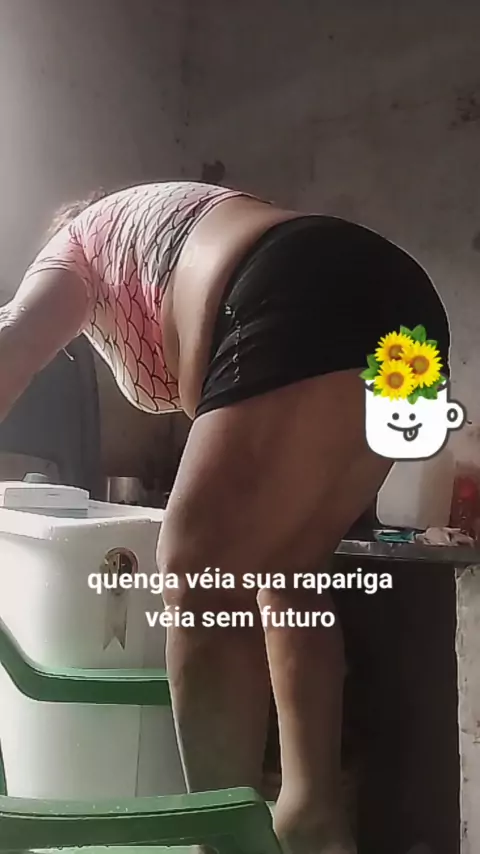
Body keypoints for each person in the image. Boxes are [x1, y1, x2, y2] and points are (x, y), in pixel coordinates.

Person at [0, 181, 450, 854]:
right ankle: (312, 815)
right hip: (410, 317)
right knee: (292, 575)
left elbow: (13, 337)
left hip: (302, 291)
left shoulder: (76, 246)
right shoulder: (169, 227)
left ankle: (221, 842)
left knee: (197, 576)